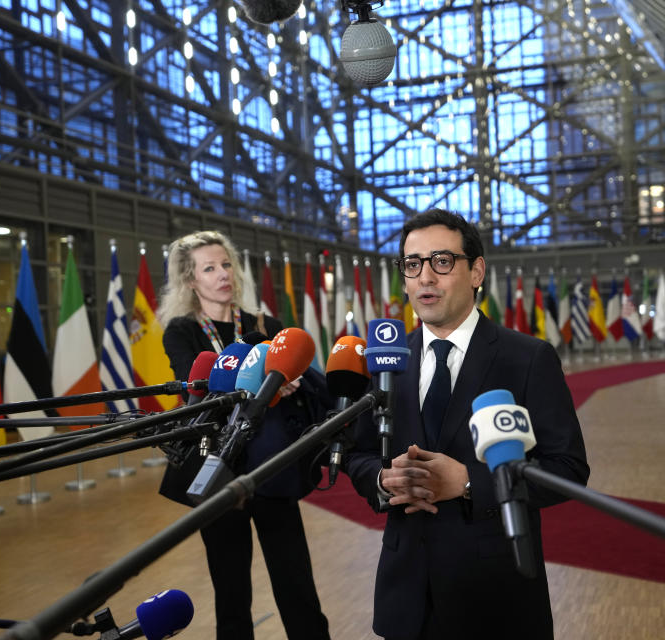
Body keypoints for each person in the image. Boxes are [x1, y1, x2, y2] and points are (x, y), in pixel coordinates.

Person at [345, 209, 590, 639]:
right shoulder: (385, 362)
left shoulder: (528, 359)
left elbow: (567, 470)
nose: (425, 277)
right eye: (413, 264)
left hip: (496, 597)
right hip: (408, 598)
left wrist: (470, 482)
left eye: (442, 262)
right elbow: (356, 454)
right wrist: (385, 480)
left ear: (476, 271)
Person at [156, 230, 331, 640]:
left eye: (227, 264)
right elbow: (193, 382)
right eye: (210, 268)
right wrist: (262, 378)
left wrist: (290, 381)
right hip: (218, 468)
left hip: (272, 465)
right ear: (190, 279)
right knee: (231, 592)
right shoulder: (181, 330)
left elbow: (295, 374)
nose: (222, 274)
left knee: (297, 585)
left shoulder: (265, 323)